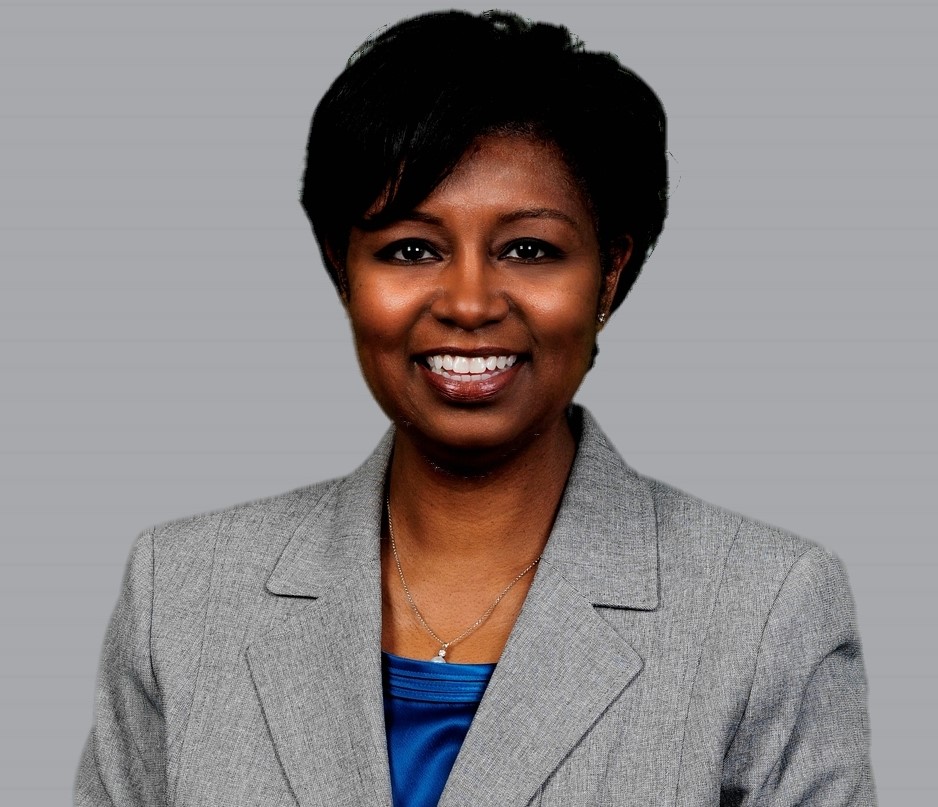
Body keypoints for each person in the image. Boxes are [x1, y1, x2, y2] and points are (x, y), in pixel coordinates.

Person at [74, 10, 875, 806]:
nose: (467, 302)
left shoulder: (767, 608)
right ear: (342, 271)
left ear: (608, 275)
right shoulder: (181, 594)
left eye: (528, 249)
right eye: (411, 249)